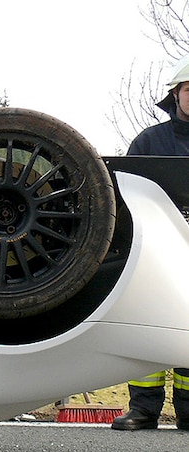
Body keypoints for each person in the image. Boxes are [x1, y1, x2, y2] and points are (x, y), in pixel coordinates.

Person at [112, 55, 189, 431]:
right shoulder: (150, 141)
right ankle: (143, 410)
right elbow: (125, 192)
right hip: (157, 251)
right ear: (175, 94)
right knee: (152, 325)